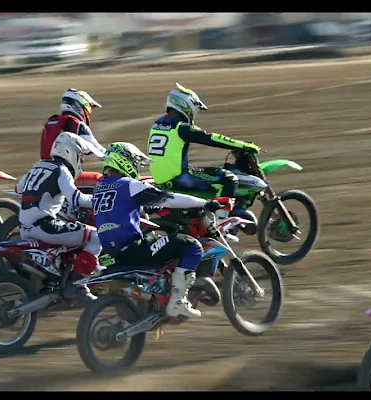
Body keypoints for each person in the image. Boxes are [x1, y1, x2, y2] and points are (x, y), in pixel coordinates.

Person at [93, 142, 227, 319]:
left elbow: (119, 209)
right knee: (191, 245)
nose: (137, 167)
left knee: (156, 238)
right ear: (125, 162)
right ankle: (177, 302)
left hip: (111, 253)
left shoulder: (99, 187)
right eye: (135, 162)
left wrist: (147, 208)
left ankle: (156, 297)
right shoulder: (128, 184)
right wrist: (204, 202)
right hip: (134, 249)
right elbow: (168, 199)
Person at [146, 83, 259, 222]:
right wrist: (243, 145)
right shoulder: (181, 128)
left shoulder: (157, 124)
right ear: (186, 106)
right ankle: (222, 221)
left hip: (160, 179)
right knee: (229, 178)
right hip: (180, 178)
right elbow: (211, 138)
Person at [16, 131, 102, 300]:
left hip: (24, 228)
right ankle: (78, 284)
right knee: (96, 236)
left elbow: (19, 188)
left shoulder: (38, 165)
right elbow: (77, 198)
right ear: (69, 152)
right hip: (45, 226)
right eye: (80, 156)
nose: (81, 161)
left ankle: (54, 280)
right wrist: (101, 200)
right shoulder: (62, 171)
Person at [40, 88, 106, 161]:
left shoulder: (51, 122)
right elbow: (99, 151)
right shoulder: (77, 124)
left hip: (43, 166)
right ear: (80, 105)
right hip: (64, 169)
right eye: (89, 108)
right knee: (97, 173)